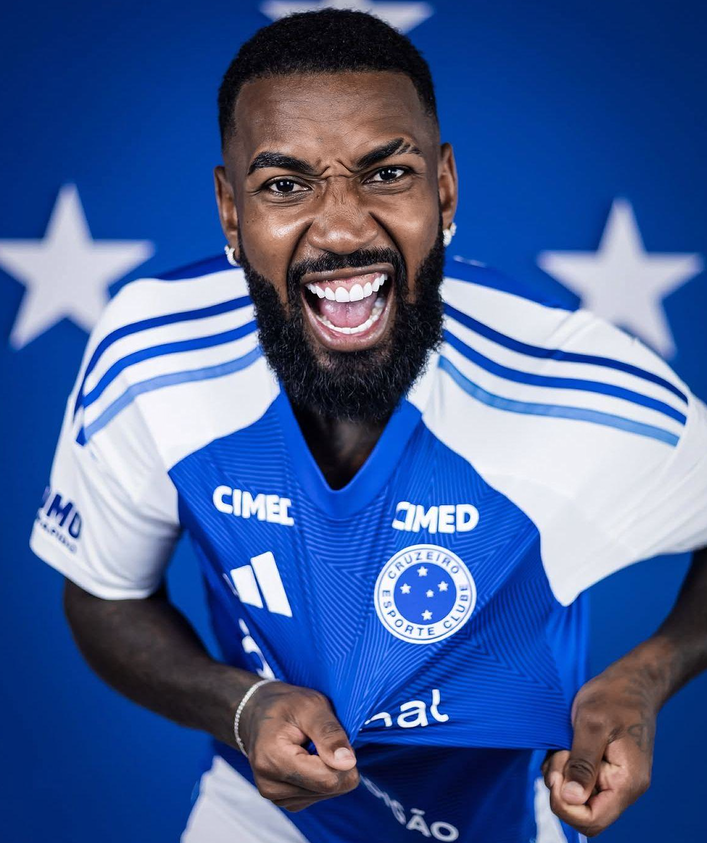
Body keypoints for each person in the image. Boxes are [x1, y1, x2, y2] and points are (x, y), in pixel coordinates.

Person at [30, 9, 707, 842]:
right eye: (284, 185)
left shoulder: (572, 384)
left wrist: (644, 677)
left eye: (387, 174)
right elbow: (103, 594)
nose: (344, 228)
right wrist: (242, 705)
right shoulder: (151, 354)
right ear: (231, 213)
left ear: (443, 189)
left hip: (508, 819)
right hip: (263, 814)